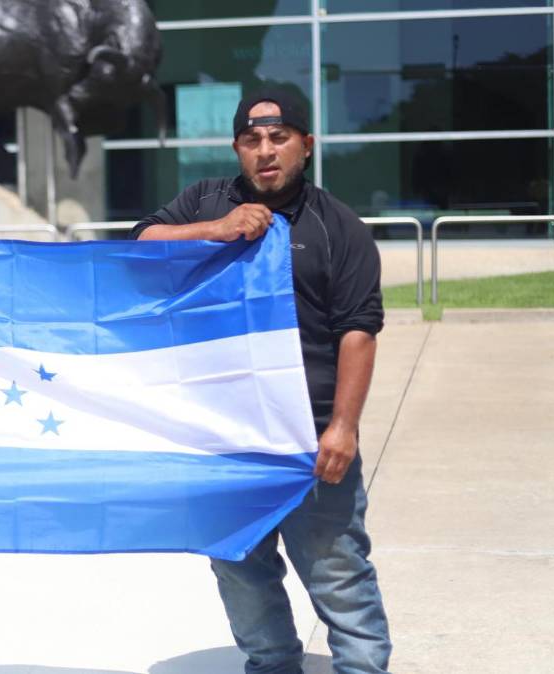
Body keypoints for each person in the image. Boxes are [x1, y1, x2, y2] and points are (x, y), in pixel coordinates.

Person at [132, 86, 391, 674]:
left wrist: (344, 426)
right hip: (227, 439)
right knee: (241, 575)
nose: (265, 151)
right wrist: (216, 228)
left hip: (309, 439)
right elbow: (143, 241)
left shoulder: (339, 228)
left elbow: (358, 332)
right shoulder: (206, 200)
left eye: (279, 138)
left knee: (340, 580)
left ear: (306, 145)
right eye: (252, 140)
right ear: (237, 148)